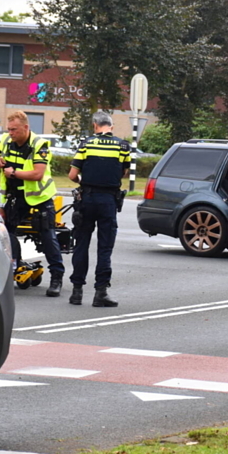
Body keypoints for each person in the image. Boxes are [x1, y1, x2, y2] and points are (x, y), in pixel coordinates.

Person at [0, 111, 65, 297]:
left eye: (14, 129)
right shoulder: (7, 140)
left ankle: (57, 278)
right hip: (16, 197)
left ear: (26, 128)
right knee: (6, 233)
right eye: (9, 129)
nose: (11, 133)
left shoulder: (39, 145)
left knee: (47, 236)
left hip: (40, 198)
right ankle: (15, 267)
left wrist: (13, 173)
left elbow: (37, 173)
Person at [66, 109, 131, 308]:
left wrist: (83, 181)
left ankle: (76, 293)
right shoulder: (122, 146)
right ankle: (100, 292)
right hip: (108, 200)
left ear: (95, 125)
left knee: (81, 244)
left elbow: (71, 175)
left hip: (86, 199)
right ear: (111, 126)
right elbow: (124, 173)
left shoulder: (86, 144)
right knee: (105, 247)